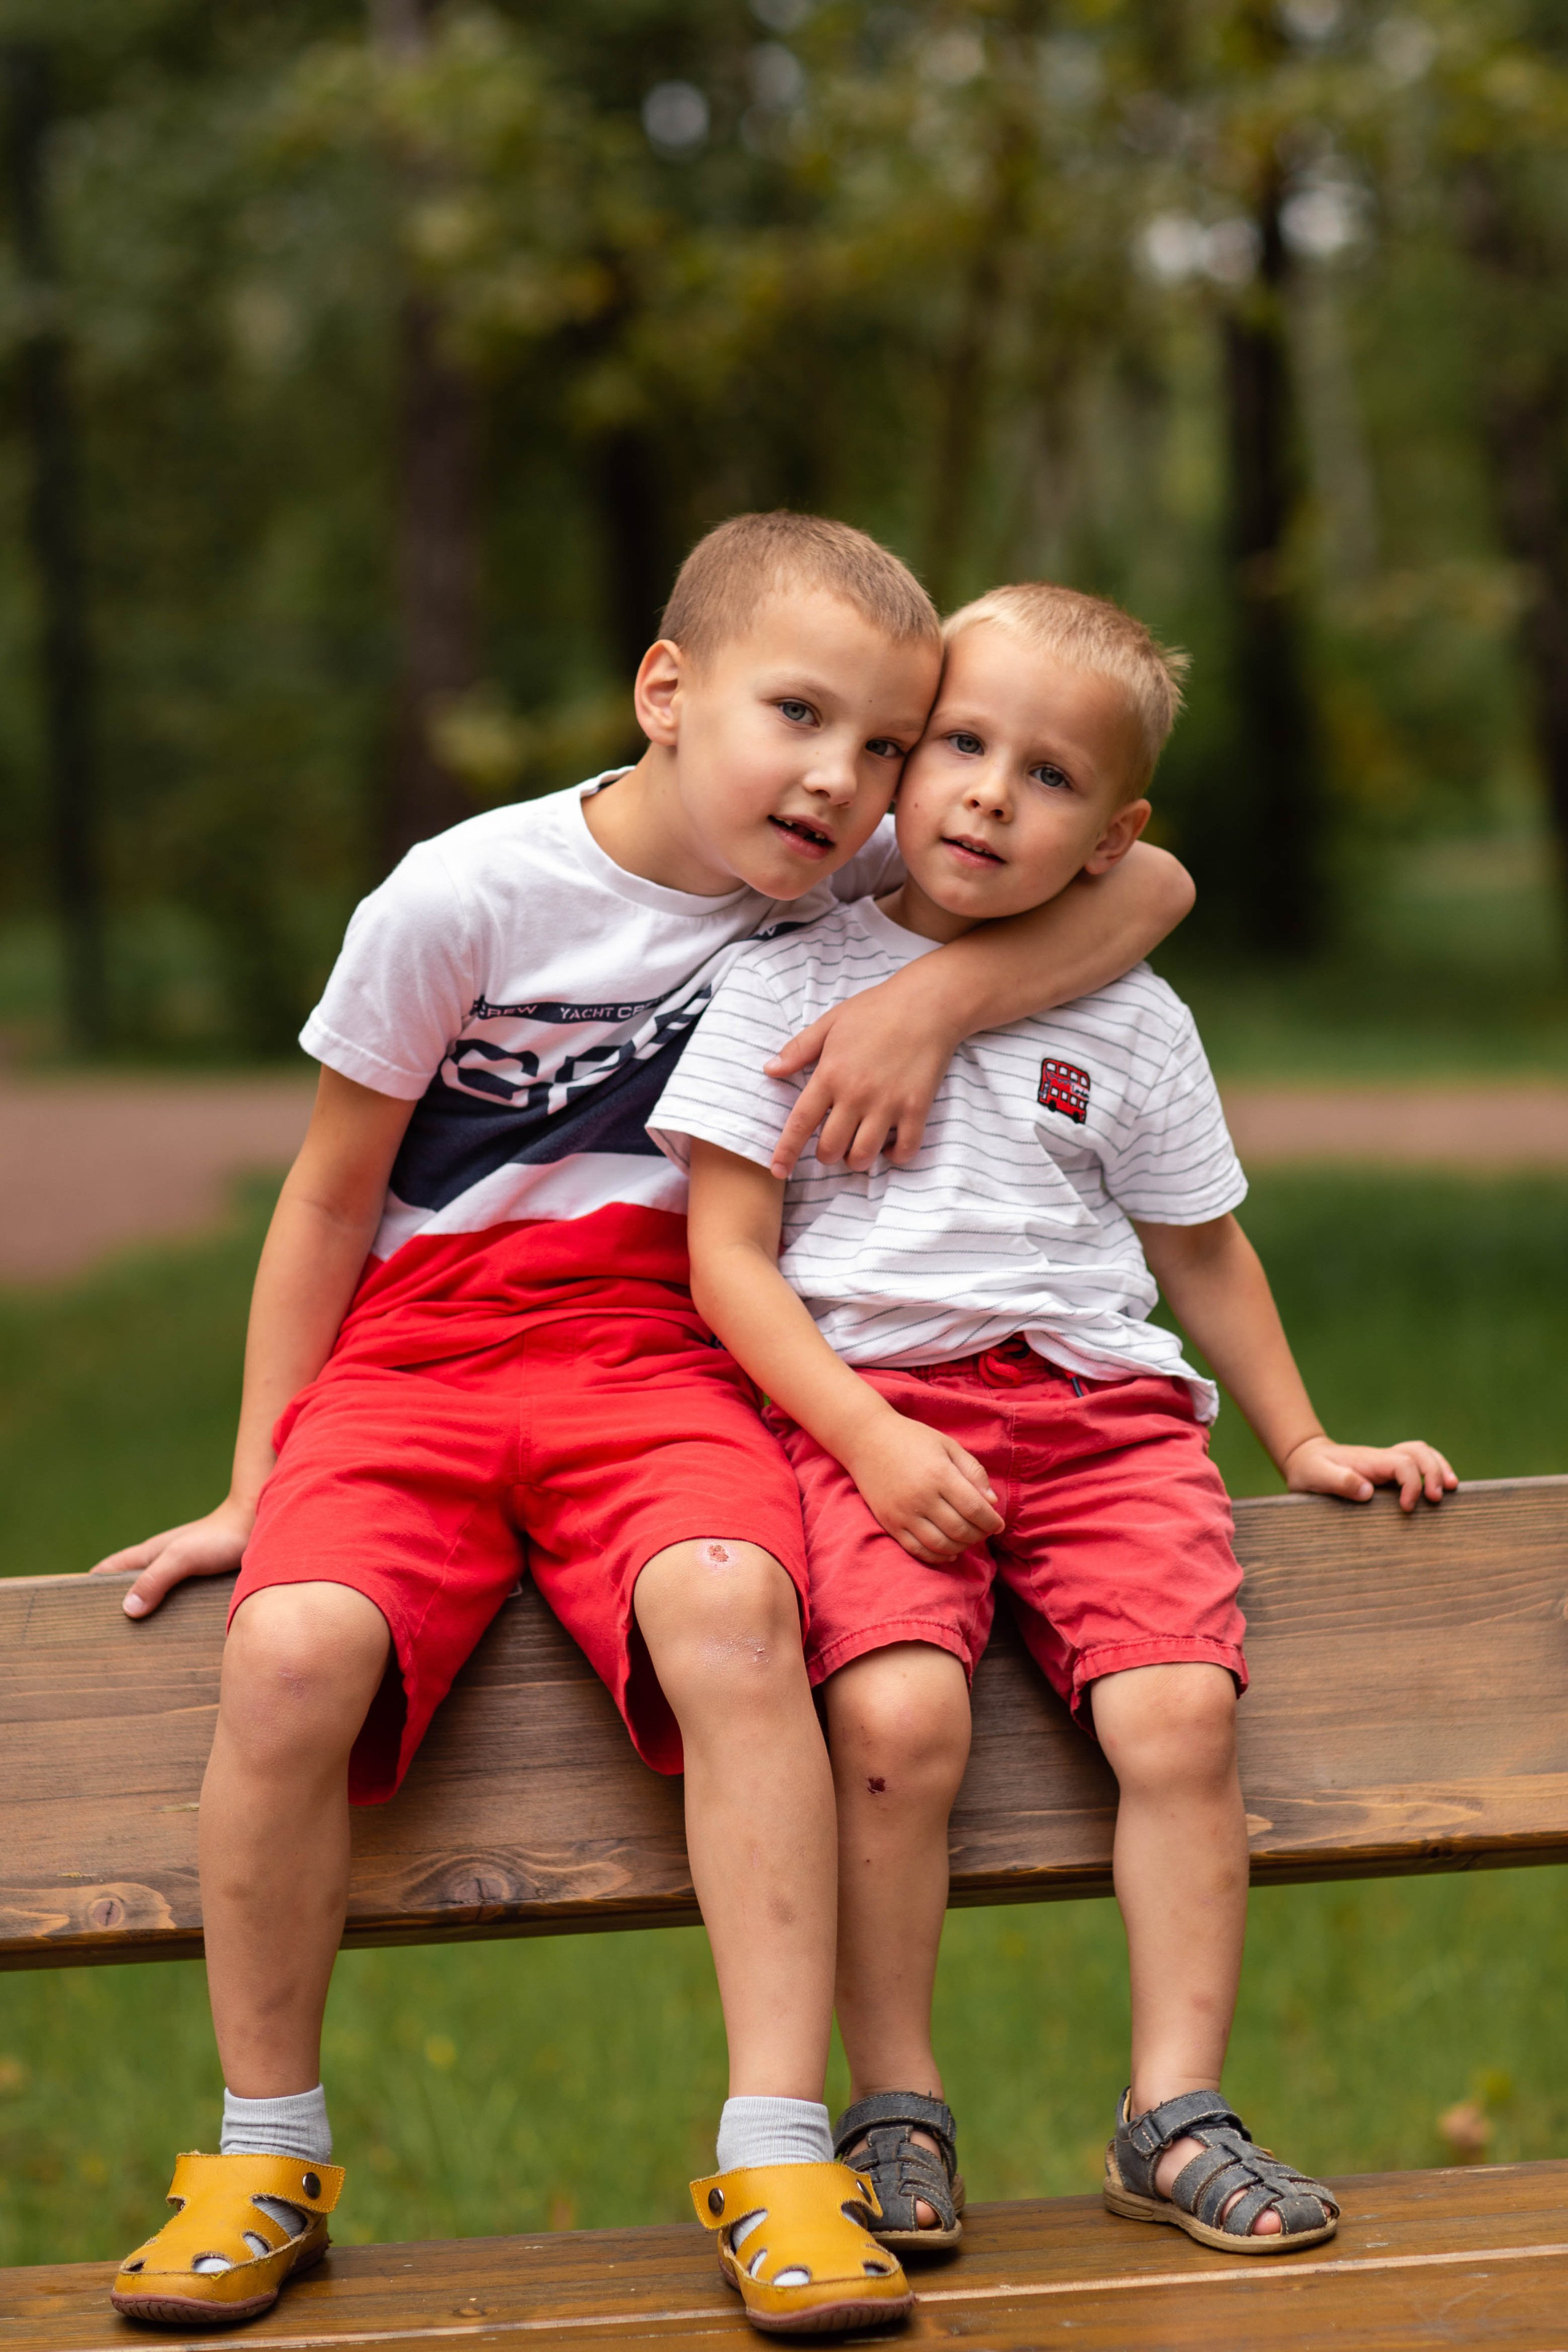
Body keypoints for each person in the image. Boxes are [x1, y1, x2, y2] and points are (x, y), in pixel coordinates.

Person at [91, 520, 1194, 2335]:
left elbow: (1149, 890)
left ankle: (778, 2154)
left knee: (736, 1612)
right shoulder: (461, 895)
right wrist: (254, 1474)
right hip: (420, 1352)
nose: (842, 779)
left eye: (885, 747)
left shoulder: (838, 897)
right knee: (290, 1651)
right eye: (798, 717)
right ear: (665, 695)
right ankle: (263, 2149)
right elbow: (319, 1199)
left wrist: (927, 993)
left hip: (668, 1342)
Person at [650, 580, 1457, 2268]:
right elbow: (727, 1261)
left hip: (1103, 1424)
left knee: (1175, 1722)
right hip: (872, 1414)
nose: (987, 796)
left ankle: (1175, 2110)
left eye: (1048, 777)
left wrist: (1300, 1442)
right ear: (906, 749)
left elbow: (1203, 1249)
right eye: (958, 745)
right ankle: (896, 2104)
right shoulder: (785, 977)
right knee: (894, 1724)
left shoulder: (1135, 1019)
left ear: (1115, 833)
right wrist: (867, 1439)